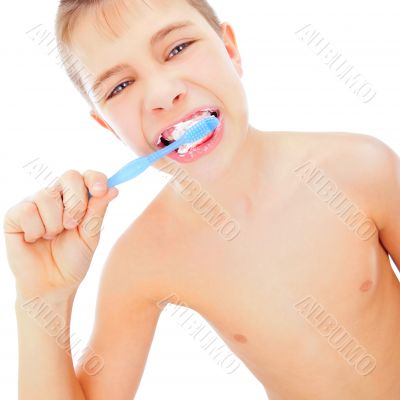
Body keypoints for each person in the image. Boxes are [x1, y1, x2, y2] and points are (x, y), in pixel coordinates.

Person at [4, 0, 400, 398]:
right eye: (120, 86)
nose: (163, 93)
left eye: (178, 48)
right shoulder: (143, 258)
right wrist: (42, 297)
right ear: (107, 126)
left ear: (231, 50)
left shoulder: (361, 168)